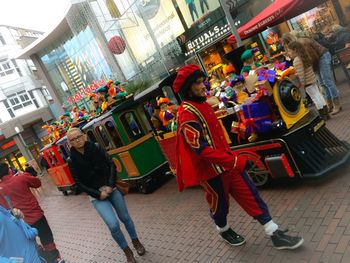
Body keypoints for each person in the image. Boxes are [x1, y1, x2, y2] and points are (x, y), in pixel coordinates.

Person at [172, 64, 304, 250]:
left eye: (203, 81)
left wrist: (232, 159)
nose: (203, 86)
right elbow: (200, 150)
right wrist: (233, 160)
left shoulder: (202, 103)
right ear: (188, 88)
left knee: (251, 195)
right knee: (220, 208)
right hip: (211, 172)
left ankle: (274, 233)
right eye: (198, 83)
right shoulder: (186, 114)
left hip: (229, 163)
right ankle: (223, 228)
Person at [66, 128, 145, 263]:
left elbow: (111, 164)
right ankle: (127, 251)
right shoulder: (71, 160)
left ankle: (136, 241)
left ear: (84, 136)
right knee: (113, 225)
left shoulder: (96, 147)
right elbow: (78, 183)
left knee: (125, 217)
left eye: (78, 136)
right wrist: (98, 194)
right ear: (69, 143)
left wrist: (109, 185)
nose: (77, 140)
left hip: (112, 188)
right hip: (96, 196)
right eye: (73, 139)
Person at [0, 163, 64, 263]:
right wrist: (26, 174)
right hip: (36, 216)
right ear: (9, 170)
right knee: (47, 239)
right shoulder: (21, 177)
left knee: (32, 245)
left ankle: (42, 259)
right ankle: (55, 259)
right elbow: (38, 183)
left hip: (21, 224)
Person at [281, 33, 341, 115]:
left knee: (326, 81)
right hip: (317, 59)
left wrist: (306, 71)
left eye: (288, 48)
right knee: (322, 83)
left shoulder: (301, 44)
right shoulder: (297, 46)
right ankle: (328, 105)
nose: (288, 51)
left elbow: (311, 58)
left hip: (322, 56)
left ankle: (336, 104)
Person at [287, 41, 329, 120]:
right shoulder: (304, 56)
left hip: (307, 82)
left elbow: (301, 75)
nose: (288, 53)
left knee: (314, 98)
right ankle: (326, 112)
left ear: (295, 50)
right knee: (318, 95)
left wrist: (302, 84)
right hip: (312, 79)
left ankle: (322, 115)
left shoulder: (296, 60)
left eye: (289, 50)